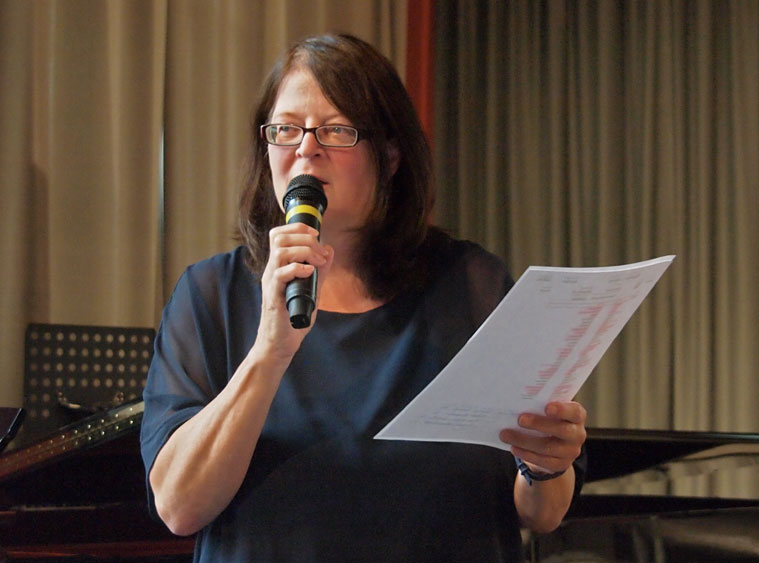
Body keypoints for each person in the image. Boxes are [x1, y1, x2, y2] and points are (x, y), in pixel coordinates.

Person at [140, 33, 587, 562]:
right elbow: (179, 507)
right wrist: (270, 351)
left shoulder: (471, 285)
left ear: (391, 155)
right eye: (285, 129)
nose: (305, 148)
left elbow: (542, 513)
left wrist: (547, 465)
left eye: (335, 130)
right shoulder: (211, 295)